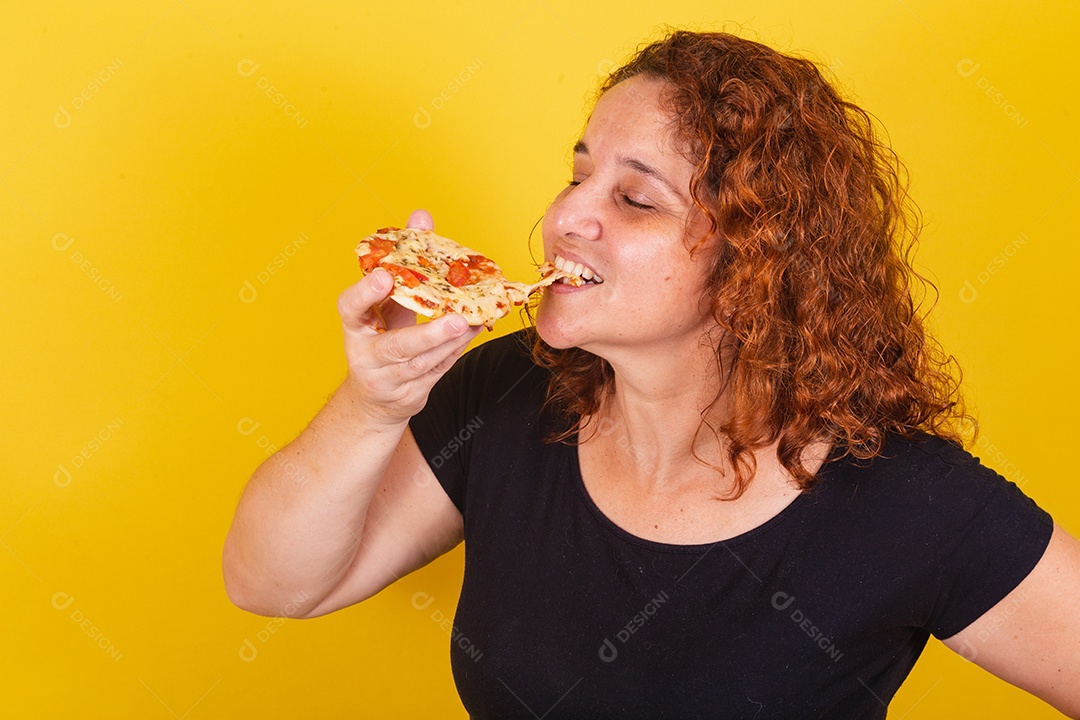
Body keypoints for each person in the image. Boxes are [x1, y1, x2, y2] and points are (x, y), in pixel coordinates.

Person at [223, 29, 1080, 718]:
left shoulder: (908, 501)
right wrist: (373, 406)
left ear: (759, 262)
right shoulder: (506, 394)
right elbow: (275, 583)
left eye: (634, 200)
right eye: (578, 173)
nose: (565, 217)